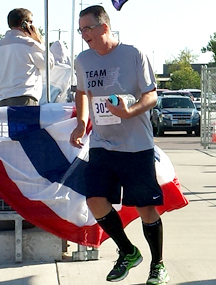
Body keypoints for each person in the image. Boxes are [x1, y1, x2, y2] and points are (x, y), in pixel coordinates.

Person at [69, 5, 169, 285]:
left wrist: (129, 111)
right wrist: (80, 123)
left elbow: (151, 96)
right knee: (95, 200)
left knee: (145, 208)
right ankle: (127, 251)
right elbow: (82, 92)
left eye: (88, 28)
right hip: (102, 143)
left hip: (136, 145)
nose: (84, 34)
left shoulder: (133, 54)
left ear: (104, 27)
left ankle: (158, 265)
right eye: (81, 30)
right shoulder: (83, 60)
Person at [0, 8, 54, 107]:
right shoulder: (30, 45)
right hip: (26, 97)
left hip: (3, 99)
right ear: (26, 24)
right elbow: (49, 64)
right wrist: (39, 41)